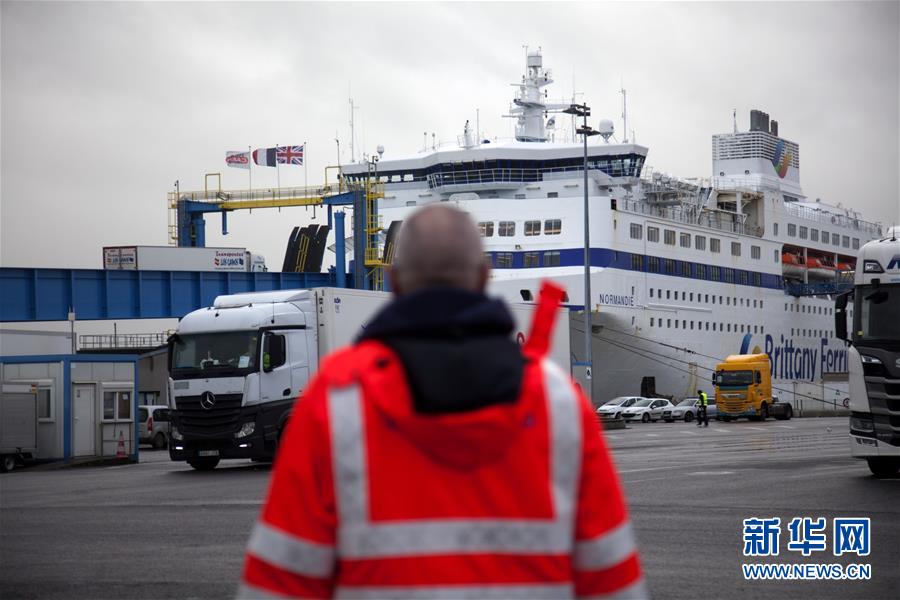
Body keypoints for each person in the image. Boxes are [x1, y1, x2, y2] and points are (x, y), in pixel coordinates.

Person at [238, 205, 646, 599]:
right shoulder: (558, 404)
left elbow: (279, 583)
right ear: (484, 277)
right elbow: (612, 581)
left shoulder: (337, 400)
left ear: (394, 283)